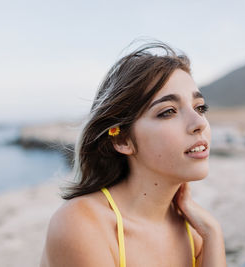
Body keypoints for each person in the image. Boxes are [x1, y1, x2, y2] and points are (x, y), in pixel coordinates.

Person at [40, 41, 226, 267]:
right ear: (122, 139)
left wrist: (212, 233)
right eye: (168, 112)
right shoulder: (82, 224)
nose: (199, 123)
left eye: (200, 107)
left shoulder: (195, 232)